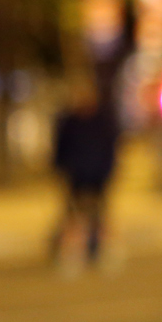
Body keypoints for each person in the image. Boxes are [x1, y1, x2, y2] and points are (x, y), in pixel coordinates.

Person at [50, 76, 120, 265]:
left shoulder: (103, 120)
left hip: (98, 175)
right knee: (70, 214)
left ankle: (94, 250)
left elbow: (111, 147)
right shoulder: (69, 121)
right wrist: (60, 168)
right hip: (76, 174)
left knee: (97, 215)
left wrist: (109, 170)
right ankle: (55, 246)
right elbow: (60, 148)